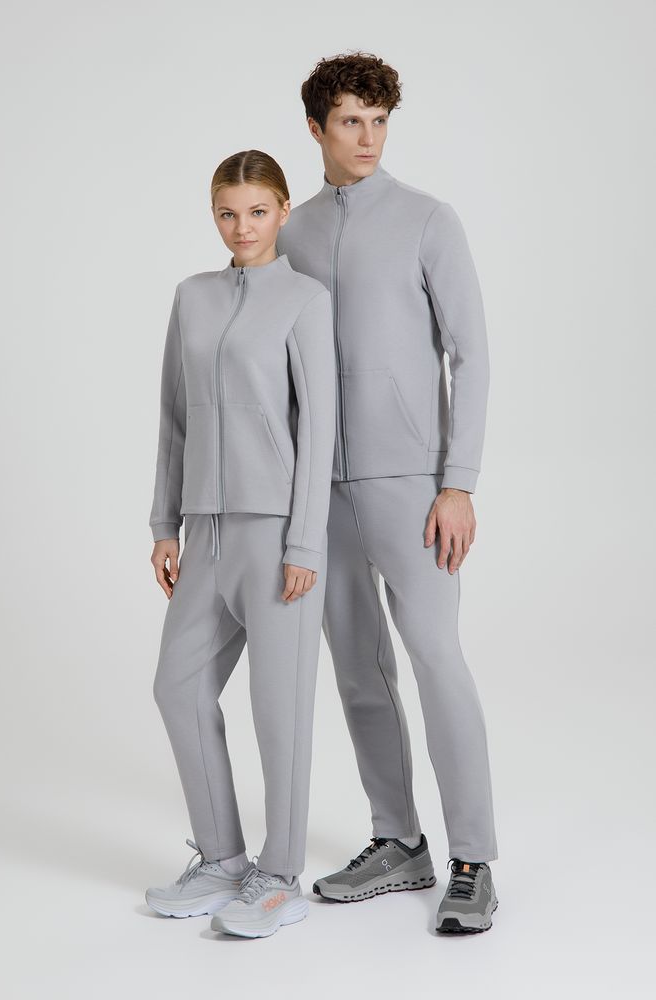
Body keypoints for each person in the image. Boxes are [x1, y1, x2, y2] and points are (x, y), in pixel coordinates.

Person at [276, 52, 499, 934]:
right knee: (357, 671)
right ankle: (397, 841)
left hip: (411, 484)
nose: (367, 138)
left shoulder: (426, 220)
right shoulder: (290, 231)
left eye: (377, 121)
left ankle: (472, 859)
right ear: (316, 128)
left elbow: (469, 354)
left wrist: (457, 483)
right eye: (349, 122)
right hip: (318, 490)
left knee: (436, 660)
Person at [145, 149, 336, 938]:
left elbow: (319, 428)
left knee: (277, 708)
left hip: (276, 534)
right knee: (177, 685)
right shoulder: (192, 298)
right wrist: (164, 523)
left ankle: (280, 875)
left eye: (257, 212)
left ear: (283, 211)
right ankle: (222, 858)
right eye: (228, 213)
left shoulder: (305, 299)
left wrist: (306, 544)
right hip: (206, 530)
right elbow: (174, 417)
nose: (242, 227)